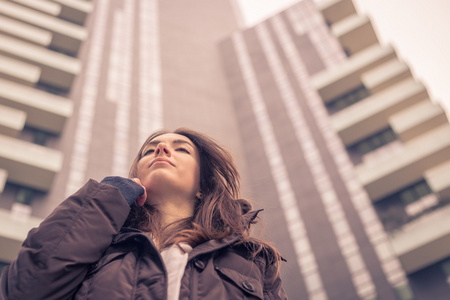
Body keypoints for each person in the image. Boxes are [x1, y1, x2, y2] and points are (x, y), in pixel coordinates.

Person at [0, 128, 287, 299]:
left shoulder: (250, 260)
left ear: (202, 185)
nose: (160, 148)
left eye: (181, 149)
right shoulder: (102, 246)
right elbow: (25, 291)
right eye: (149, 150)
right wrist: (105, 198)